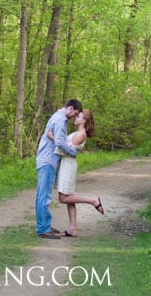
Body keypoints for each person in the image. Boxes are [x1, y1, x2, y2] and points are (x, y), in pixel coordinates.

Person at [49, 109, 105, 236]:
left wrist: (53, 138)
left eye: (78, 116)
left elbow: (66, 150)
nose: (75, 117)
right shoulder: (77, 132)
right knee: (69, 198)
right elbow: (64, 146)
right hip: (66, 164)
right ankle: (72, 229)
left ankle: (93, 201)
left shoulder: (80, 134)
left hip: (68, 166)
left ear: (83, 120)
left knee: (63, 198)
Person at [35, 99, 82, 239]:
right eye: (76, 113)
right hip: (48, 160)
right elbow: (60, 143)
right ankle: (43, 228)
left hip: (46, 159)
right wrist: (73, 152)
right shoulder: (61, 120)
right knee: (44, 196)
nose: (75, 116)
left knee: (43, 195)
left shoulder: (57, 116)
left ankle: (45, 225)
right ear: (71, 108)